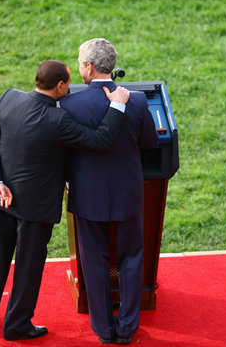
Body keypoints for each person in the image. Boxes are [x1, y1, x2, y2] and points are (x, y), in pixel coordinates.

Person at [0, 60, 131, 341]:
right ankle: (17, 325)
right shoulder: (58, 121)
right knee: (28, 266)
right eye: (68, 85)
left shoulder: (8, 97)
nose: (69, 90)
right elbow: (100, 139)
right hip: (36, 207)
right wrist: (117, 105)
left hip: (2, 198)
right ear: (59, 86)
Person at [60, 39, 159, 344]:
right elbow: (151, 143)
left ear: (89, 67)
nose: (79, 67)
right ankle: (127, 329)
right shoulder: (139, 102)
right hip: (128, 193)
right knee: (131, 258)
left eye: (80, 62)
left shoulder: (70, 104)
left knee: (95, 261)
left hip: (88, 196)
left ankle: (104, 330)